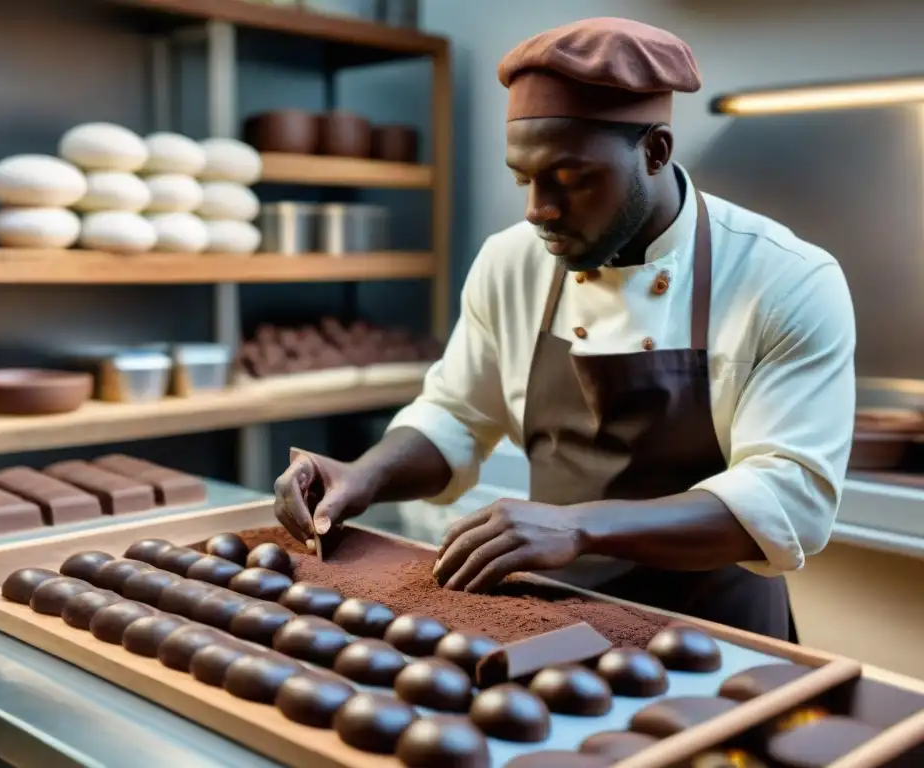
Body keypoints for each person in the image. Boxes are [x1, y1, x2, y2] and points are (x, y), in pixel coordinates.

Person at [273, 17, 856, 640]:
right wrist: (366, 475)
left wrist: (577, 526)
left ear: (655, 151)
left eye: (571, 179)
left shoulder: (785, 278)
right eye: (524, 179)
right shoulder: (512, 259)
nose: (538, 210)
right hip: (549, 621)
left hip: (714, 635)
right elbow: (456, 415)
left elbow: (788, 498)